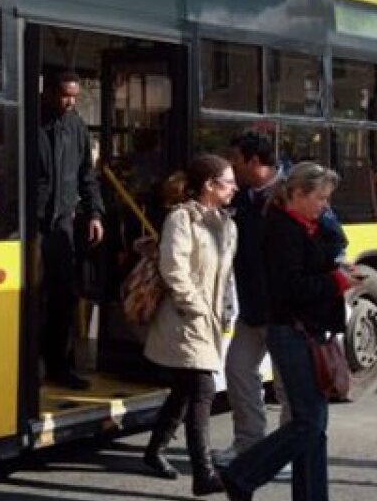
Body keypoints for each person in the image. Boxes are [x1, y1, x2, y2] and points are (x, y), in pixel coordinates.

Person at [221, 162, 347, 501]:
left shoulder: (310, 224)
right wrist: (335, 281)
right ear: (297, 194)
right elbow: (289, 287)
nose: (325, 205)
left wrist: (327, 229)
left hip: (309, 331)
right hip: (293, 333)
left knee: (315, 427)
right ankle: (243, 473)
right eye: (320, 198)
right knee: (308, 422)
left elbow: (337, 244)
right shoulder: (280, 228)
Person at [141, 153, 237, 496]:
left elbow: (226, 277)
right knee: (202, 390)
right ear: (209, 186)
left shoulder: (227, 223)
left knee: (185, 391)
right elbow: (173, 268)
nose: (234, 188)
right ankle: (204, 473)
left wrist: (227, 311)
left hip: (210, 318)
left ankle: (154, 451)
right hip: (185, 318)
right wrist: (195, 307)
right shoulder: (182, 219)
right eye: (228, 182)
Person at [216, 131, 289, 470]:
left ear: (254, 162)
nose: (231, 169)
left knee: (289, 387)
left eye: (235, 162)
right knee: (238, 370)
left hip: (284, 312)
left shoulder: (292, 193)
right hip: (252, 308)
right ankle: (249, 443)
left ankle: (287, 450)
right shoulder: (244, 197)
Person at [36, 71, 104, 390]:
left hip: (62, 222)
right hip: (31, 222)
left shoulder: (76, 127)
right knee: (32, 297)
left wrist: (94, 213)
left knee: (64, 295)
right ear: (50, 91)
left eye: (75, 96)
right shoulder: (29, 120)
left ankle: (58, 365)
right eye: (65, 95)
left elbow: (86, 174)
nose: (70, 101)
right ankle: (31, 364)